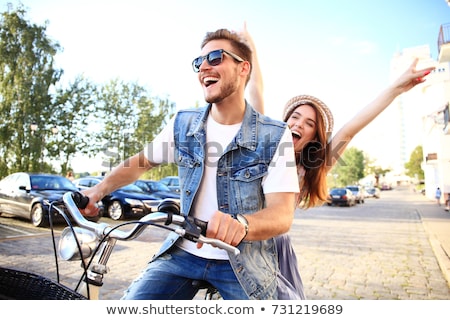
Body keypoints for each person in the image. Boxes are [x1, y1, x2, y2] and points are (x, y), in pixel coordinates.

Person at [80, 28, 299, 300]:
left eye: (216, 57)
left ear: (244, 68)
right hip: (183, 254)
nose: (204, 66)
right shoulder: (183, 124)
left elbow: (282, 214)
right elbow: (141, 162)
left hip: (243, 264)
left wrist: (242, 224)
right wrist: (97, 191)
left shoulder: (274, 134)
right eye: (199, 62)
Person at [239, 23, 435, 299]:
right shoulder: (263, 146)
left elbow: (351, 128)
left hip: (274, 252)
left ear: (312, 137)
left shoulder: (308, 171)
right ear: (284, 121)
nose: (299, 124)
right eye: (294, 117)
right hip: (239, 240)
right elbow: (256, 91)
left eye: (308, 123)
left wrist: (395, 89)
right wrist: (250, 46)